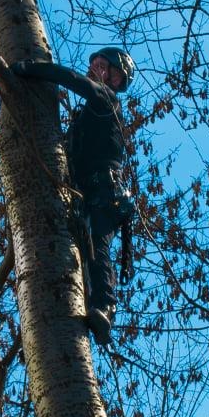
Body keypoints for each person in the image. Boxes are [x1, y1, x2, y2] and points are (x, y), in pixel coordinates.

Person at [65, 47, 137, 346]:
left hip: (106, 194)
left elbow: (68, 78)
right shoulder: (86, 116)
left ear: (113, 78)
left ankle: (104, 307)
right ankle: (92, 304)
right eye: (93, 65)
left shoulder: (106, 99)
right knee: (86, 250)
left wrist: (30, 68)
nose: (95, 70)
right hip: (88, 193)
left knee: (97, 247)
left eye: (103, 67)